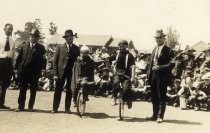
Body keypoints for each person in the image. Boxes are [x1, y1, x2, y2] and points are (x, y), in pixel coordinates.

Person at [15, 29, 46, 111]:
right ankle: (20, 106)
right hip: (24, 71)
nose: (33, 38)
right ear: (29, 36)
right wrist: (16, 69)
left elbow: (43, 60)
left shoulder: (41, 48)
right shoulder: (24, 46)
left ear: (37, 38)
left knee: (33, 90)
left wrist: (43, 69)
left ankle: (30, 107)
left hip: (35, 72)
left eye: (35, 37)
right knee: (22, 89)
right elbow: (19, 59)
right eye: (32, 36)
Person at [146, 30, 173, 123]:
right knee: (153, 96)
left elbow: (171, 64)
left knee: (161, 97)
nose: (157, 39)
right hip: (153, 76)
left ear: (163, 38)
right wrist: (148, 75)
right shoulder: (154, 49)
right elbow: (150, 64)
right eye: (156, 38)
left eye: (159, 38)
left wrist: (160, 67)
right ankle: (154, 115)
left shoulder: (169, 50)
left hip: (162, 77)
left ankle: (160, 116)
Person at [51, 29, 80, 114]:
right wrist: (55, 74)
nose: (70, 39)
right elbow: (55, 62)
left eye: (72, 37)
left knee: (69, 90)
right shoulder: (60, 47)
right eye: (69, 37)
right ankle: (55, 108)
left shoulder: (76, 48)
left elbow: (78, 62)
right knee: (58, 90)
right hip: (60, 73)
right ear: (65, 38)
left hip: (71, 72)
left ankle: (67, 109)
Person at [111, 40, 135, 109]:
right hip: (118, 73)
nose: (120, 47)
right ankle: (114, 97)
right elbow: (109, 61)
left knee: (126, 88)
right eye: (119, 46)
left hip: (126, 74)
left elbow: (133, 67)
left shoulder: (130, 55)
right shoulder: (117, 55)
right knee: (115, 82)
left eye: (122, 46)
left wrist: (133, 77)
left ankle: (128, 100)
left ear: (126, 46)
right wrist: (112, 69)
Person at [0, 23, 15, 109]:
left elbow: (13, 54)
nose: (10, 31)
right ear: (4, 29)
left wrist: (12, 65)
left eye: (11, 29)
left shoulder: (13, 40)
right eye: (8, 29)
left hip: (8, 63)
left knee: (5, 84)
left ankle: (1, 103)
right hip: (0, 61)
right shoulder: (0, 38)